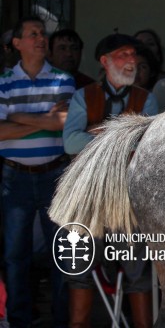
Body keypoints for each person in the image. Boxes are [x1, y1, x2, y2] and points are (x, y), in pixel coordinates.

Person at [62, 33, 157, 328]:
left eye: (133, 55)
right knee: (79, 271)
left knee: (137, 274)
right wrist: (122, 138)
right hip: (88, 202)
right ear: (104, 62)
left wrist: (99, 133)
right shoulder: (83, 95)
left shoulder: (147, 98)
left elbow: (147, 146)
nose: (131, 61)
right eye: (122, 55)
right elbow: (70, 143)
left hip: (129, 203)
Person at [0, 16, 74, 327]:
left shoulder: (62, 79)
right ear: (17, 44)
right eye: (33, 34)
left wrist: (17, 115)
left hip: (53, 176)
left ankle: (61, 320)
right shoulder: (3, 80)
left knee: (61, 254)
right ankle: (20, 321)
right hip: (13, 177)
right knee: (15, 256)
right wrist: (42, 119)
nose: (41, 38)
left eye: (43, 33)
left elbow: (62, 123)